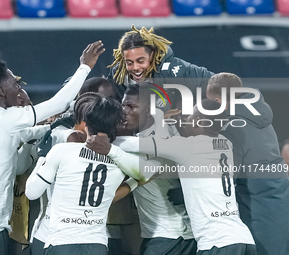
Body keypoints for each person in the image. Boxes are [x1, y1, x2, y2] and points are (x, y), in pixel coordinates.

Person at [0, 40, 104, 255]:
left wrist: (52, 125)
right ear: (2, 90)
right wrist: (84, 67)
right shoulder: (5, 119)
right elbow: (58, 103)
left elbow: (22, 145)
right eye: (15, 84)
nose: (19, 88)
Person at [87, 99, 256, 255]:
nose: (184, 121)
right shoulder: (225, 143)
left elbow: (137, 143)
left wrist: (99, 140)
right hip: (243, 238)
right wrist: (161, 119)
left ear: (199, 122)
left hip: (217, 242)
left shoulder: (188, 147)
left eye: (190, 117)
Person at [25, 96, 143, 255]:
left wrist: (41, 158)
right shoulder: (120, 162)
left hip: (61, 244)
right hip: (96, 245)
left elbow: (31, 193)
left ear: (86, 122)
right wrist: (133, 181)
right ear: (116, 125)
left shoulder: (62, 151)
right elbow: (149, 171)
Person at [206, 72, 289, 255]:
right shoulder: (260, 118)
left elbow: (225, 179)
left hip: (257, 208)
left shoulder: (233, 128)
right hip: (279, 202)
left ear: (220, 101)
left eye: (210, 102)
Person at [114, 84, 196, 255]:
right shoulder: (161, 132)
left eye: (131, 106)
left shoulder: (158, 140)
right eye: (123, 105)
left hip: (169, 237)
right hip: (176, 235)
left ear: (149, 110)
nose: (124, 111)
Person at [107, 25, 214, 105]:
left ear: (152, 55)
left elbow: (220, 85)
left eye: (140, 61)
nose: (135, 68)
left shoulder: (173, 72)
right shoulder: (118, 76)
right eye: (129, 63)